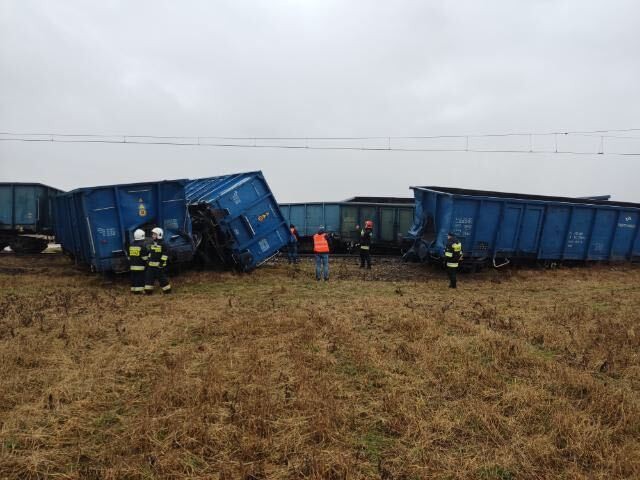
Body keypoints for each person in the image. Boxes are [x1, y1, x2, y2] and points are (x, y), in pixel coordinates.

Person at [144, 227, 172, 294]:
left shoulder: (163, 244)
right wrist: (148, 260)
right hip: (151, 266)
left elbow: (165, 254)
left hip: (159, 266)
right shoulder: (153, 243)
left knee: (162, 279)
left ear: (159, 235)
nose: (152, 236)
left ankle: (167, 291)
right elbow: (151, 253)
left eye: (154, 234)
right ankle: (148, 291)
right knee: (149, 279)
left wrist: (162, 263)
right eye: (153, 234)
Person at [127, 228, 148, 294]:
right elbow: (144, 258)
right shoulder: (142, 246)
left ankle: (133, 289)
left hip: (132, 265)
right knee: (140, 278)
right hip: (140, 266)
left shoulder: (131, 245)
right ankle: (139, 291)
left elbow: (129, 256)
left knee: (133, 277)